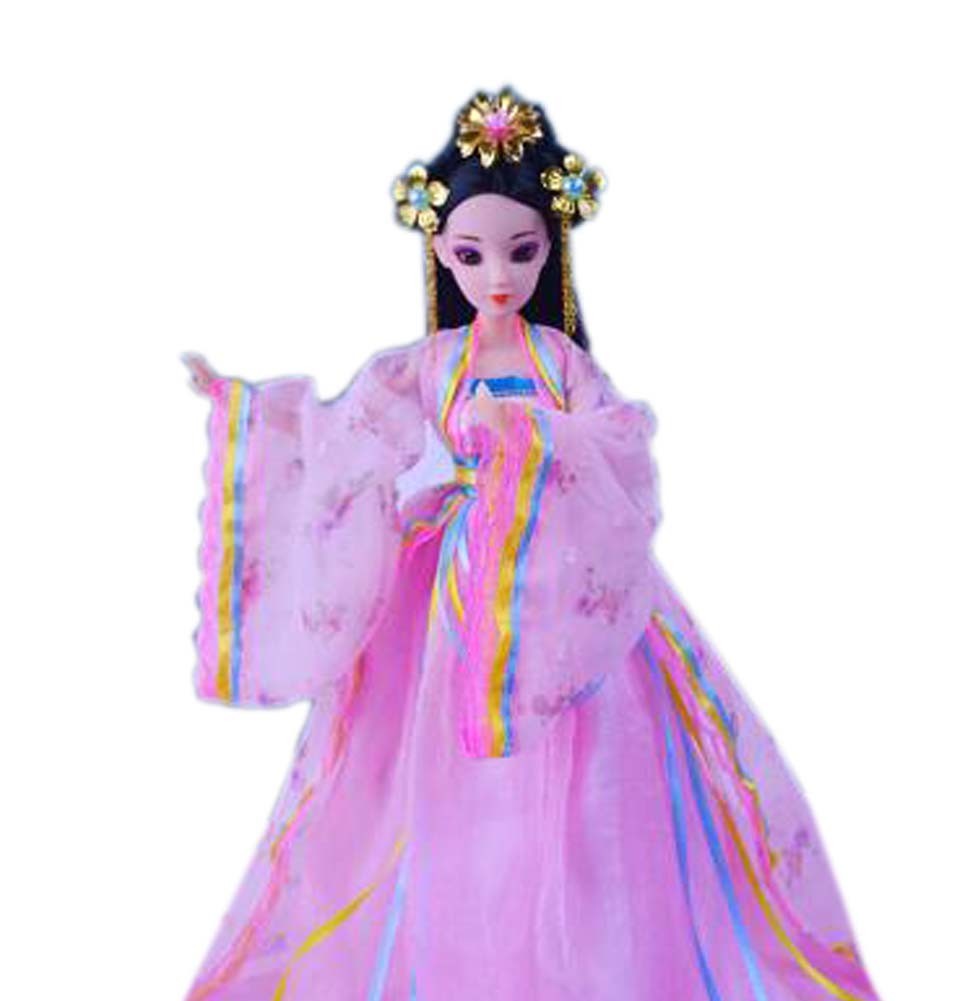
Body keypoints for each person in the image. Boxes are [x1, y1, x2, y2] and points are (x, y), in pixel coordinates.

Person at [180, 86, 883, 1001]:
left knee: (594, 782)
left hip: (559, 590)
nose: (498, 274)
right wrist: (249, 409)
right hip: (444, 600)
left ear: (550, 247)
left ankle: (585, 953)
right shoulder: (431, 363)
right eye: (471, 254)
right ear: (441, 253)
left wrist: (532, 441)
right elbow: (342, 437)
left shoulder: (558, 360)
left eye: (521, 250)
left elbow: (619, 441)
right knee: (413, 772)